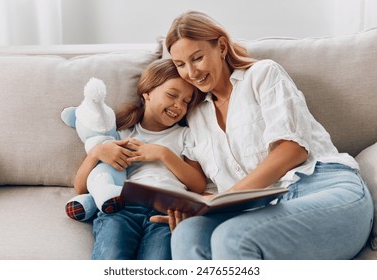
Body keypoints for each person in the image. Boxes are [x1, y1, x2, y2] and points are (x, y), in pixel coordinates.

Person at [150, 10, 374, 260]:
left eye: (197, 58)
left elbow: (292, 150)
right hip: (262, 210)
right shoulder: (195, 116)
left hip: (323, 188)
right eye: (181, 65)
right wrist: (188, 206)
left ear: (221, 47)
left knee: (232, 237)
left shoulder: (262, 75)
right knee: (187, 233)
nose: (191, 72)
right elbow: (199, 184)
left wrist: (225, 197)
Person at [74, 58, 206, 260]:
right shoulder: (122, 133)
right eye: (172, 95)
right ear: (147, 92)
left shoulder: (185, 135)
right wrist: (96, 153)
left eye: (186, 102)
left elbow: (197, 185)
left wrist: (163, 154)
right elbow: (81, 188)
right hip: (122, 208)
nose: (178, 105)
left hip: (166, 212)